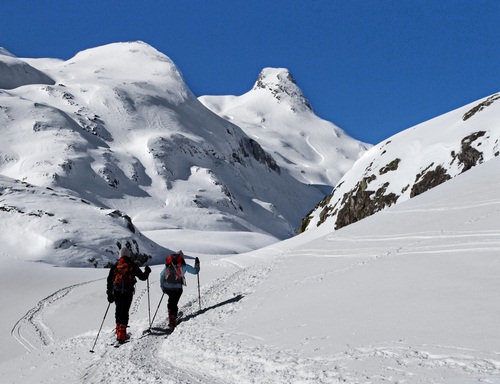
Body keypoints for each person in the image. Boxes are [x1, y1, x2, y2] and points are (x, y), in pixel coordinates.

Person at [106, 247, 151, 343]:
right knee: (125, 310)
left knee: (118, 310)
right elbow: (143, 277)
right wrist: (147, 271)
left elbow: (109, 280)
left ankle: (118, 331)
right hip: (128, 292)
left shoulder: (115, 266)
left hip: (117, 292)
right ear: (128, 255)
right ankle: (122, 333)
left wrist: (109, 294)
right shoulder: (132, 266)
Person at [160, 250, 200, 330]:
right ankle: (172, 321)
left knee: (171, 302)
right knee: (173, 303)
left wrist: (162, 287)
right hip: (177, 288)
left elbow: (162, 275)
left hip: (167, 287)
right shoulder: (183, 265)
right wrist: (197, 264)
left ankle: (172, 316)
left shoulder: (168, 264)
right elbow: (195, 271)